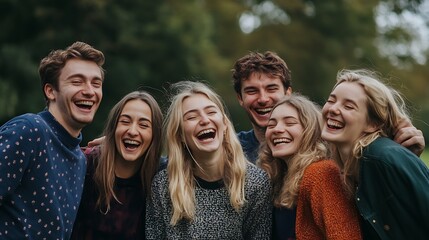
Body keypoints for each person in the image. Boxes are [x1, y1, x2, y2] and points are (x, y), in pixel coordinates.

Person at [231, 51, 425, 163]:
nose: (263, 99)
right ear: (240, 98)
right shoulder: (232, 151)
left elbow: (365, 146)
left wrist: (402, 151)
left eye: (271, 88)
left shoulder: (326, 144)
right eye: (252, 91)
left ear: (288, 93)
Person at [0, 41, 105, 239]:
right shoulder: (29, 130)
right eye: (77, 82)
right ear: (50, 91)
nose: (89, 91)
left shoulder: (80, 159)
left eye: (96, 83)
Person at [146, 81, 272, 239]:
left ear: (225, 124)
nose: (204, 120)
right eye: (191, 117)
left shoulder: (256, 183)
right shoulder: (163, 186)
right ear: (180, 135)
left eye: (211, 112)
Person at [321, 69, 429, 239]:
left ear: (373, 124)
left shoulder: (381, 158)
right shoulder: (350, 167)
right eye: (331, 100)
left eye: (348, 106)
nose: (333, 109)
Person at [259, 94, 362, 240]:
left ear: (311, 131)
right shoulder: (278, 181)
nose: (277, 129)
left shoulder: (321, 173)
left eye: (289, 123)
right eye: (271, 125)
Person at [71, 91, 163, 239]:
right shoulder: (85, 164)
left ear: (155, 136)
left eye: (144, 125)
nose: (132, 131)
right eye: (125, 122)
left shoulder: (160, 177)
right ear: (113, 128)